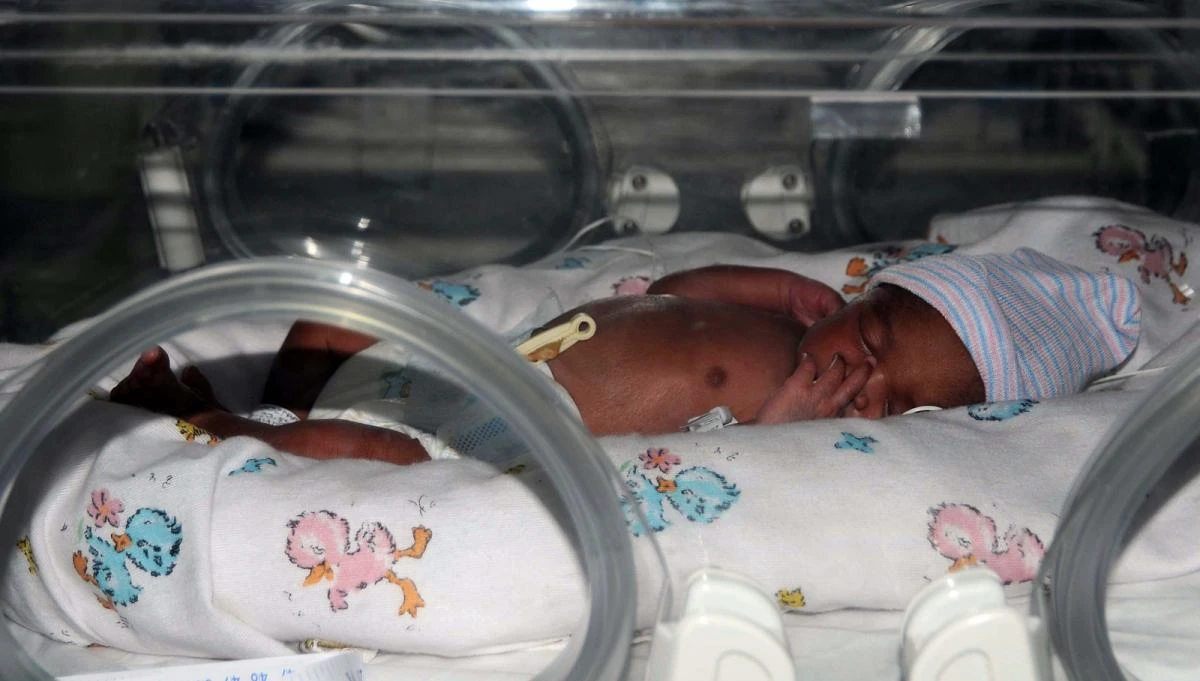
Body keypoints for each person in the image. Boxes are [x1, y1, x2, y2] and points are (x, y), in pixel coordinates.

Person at [109, 248, 1141, 466]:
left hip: (511, 427)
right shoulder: (792, 320)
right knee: (333, 321)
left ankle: (221, 427)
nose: (857, 377)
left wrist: (788, 423)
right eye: (869, 339)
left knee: (384, 459)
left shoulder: (805, 413)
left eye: (895, 397)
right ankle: (286, 409)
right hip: (481, 360)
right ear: (859, 297)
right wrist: (767, 284)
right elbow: (673, 290)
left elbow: (734, 460)